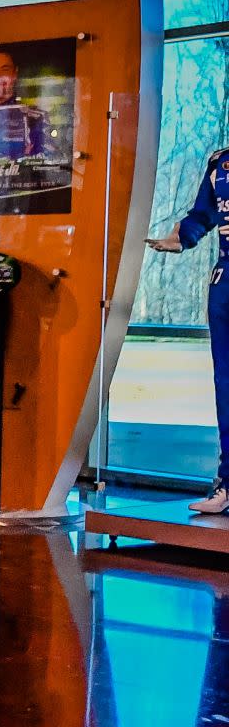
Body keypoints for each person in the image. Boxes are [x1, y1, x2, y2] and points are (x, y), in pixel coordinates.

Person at [149, 146, 229, 515]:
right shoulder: (220, 162)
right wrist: (182, 238)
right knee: (226, 385)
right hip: (225, 280)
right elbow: (203, 213)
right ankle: (227, 485)